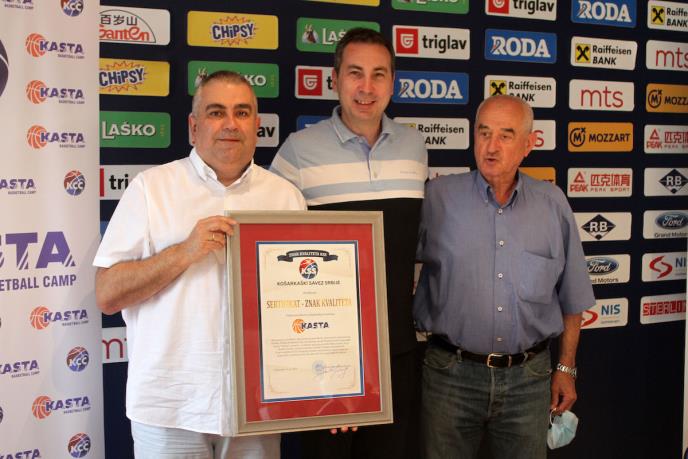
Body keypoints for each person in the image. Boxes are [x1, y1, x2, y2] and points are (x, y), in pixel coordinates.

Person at [94, 71, 306, 459]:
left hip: (256, 407)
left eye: (242, 112)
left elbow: (307, 300)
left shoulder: (286, 198)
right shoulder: (151, 189)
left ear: (256, 125)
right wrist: (185, 252)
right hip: (171, 410)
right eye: (216, 112)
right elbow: (107, 294)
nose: (231, 123)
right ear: (194, 127)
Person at [270, 27, 428, 459]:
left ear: (393, 83)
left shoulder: (414, 148)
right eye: (355, 73)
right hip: (323, 355)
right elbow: (272, 259)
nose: (367, 87)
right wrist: (325, 371)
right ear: (334, 79)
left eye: (379, 74)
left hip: (397, 350)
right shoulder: (297, 152)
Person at [413, 95, 595, 459]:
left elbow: (572, 296)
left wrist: (566, 368)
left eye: (505, 135)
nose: (491, 146)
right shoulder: (437, 198)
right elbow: (389, 266)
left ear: (528, 144)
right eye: (484, 133)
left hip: (528, 381)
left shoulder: (552, 204)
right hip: (450, 376)